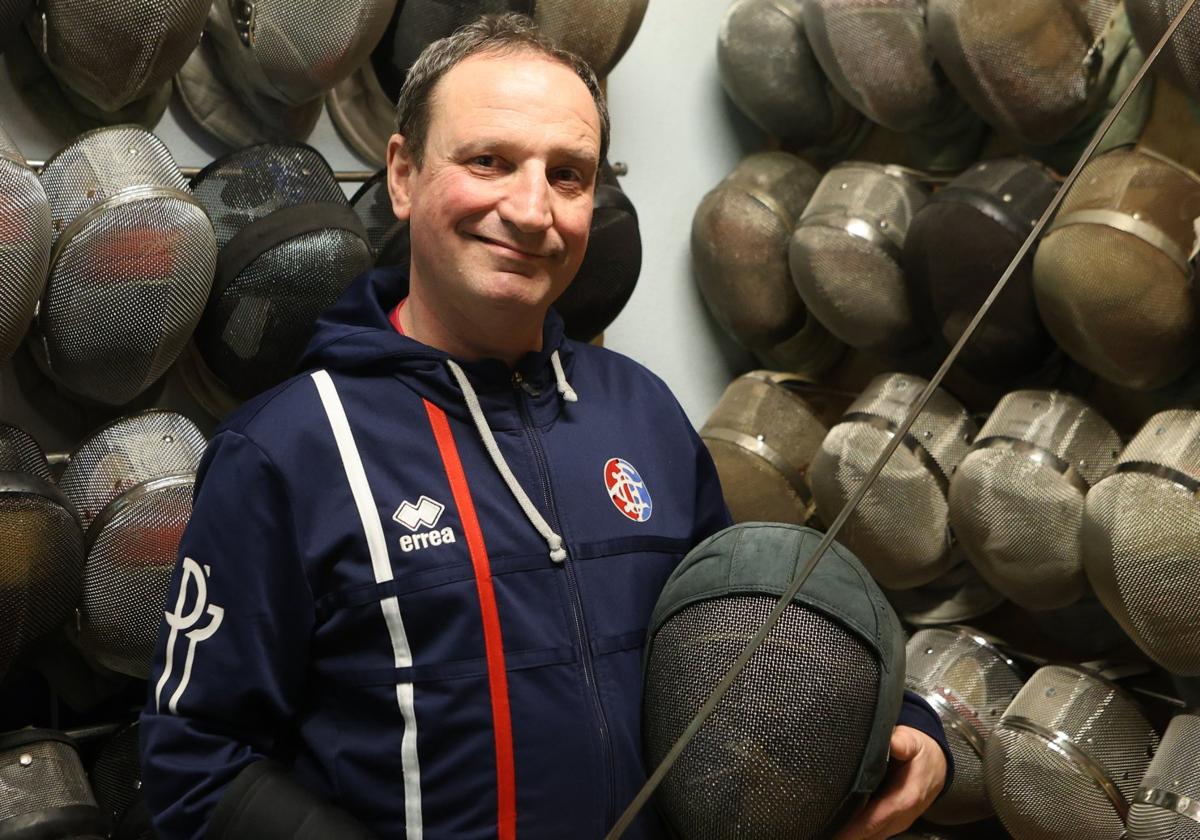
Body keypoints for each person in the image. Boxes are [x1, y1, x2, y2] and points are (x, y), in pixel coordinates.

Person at [140, 14, 950, 839]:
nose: (531, 211)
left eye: (567, 176)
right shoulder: (288, 450)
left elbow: (746, 636)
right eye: (488, 161)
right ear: (404, 174)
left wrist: (906, 720)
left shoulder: (642, 413)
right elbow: (196, 763)